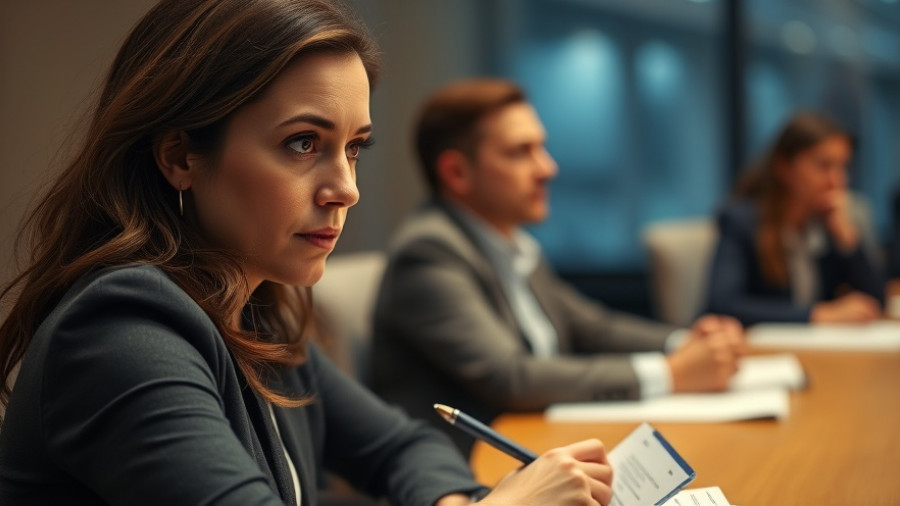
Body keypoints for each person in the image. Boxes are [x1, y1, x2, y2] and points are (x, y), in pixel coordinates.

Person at [0, 2, 615, 505]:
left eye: (354, 148)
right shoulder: (120, 331)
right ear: (180, 157)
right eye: (302, 143)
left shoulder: (253, 309)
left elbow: (403, 446)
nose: (345, 188)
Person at [370, 78, 746, 456]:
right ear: (456, 173)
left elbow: (594, 328)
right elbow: (511, 377)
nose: (548, 168)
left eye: (541, 148)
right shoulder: (428, 252)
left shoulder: (511, 244)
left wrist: (690, 344)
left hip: (544, 440)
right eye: (521, 152)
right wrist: (672, 373)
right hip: (471, 470)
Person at [706, 112, 886, 326]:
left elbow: (875, 302)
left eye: (843, 167)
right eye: (824, 165)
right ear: (784, 167)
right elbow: (723, 304)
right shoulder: (742, 221)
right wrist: (816, 314)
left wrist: (848, 240)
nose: (837, 180)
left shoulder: (828, 223)